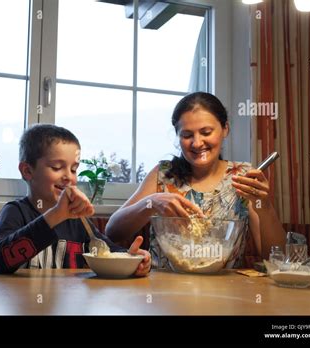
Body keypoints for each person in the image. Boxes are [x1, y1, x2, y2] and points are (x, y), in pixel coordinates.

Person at [105, 92, 286, 270]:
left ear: (225, 129)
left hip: (226, 292)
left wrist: (265, 205)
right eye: (187, 135)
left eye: (206, 132)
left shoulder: (243, 176)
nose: (197, 143)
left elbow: (275, 257)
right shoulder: (164, 174)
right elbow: (113, 232)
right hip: (164, 290)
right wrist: (150, 203)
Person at [0, 124, 151, 275]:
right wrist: (56, 215)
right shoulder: (15, 211)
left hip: (69, 303)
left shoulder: (79, 220)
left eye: (74, 169)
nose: (68, 177)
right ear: (27, 171)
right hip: (24, 302)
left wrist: (132, 259)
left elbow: (108, 251)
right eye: (57, 167)